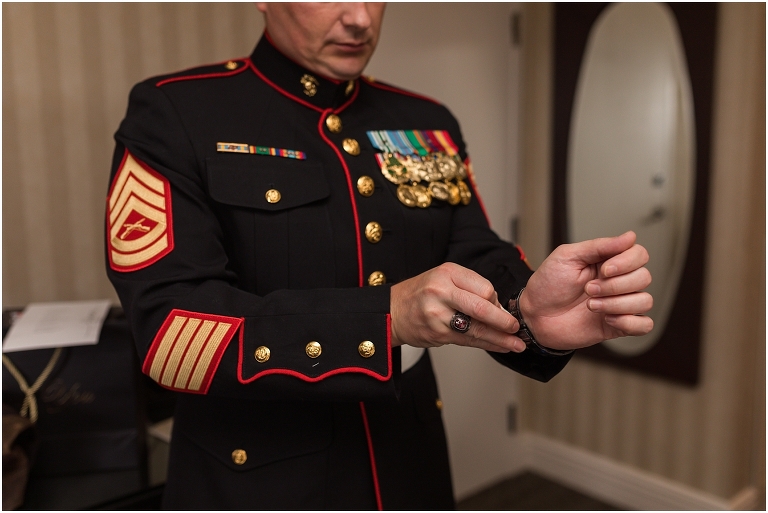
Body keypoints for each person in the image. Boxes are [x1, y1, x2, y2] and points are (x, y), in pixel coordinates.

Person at [105, 3, 653, 509]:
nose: (360, 18)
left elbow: (472, 249)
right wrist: (384, 318)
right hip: (259, 481)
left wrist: (527, 310)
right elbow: (168, 333)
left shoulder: (427, 121)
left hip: (408, 463)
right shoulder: (177, 111)